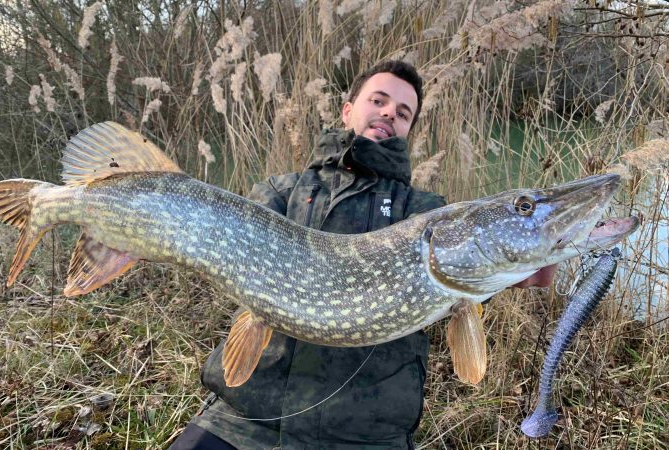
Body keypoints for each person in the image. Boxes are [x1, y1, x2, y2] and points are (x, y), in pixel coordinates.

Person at [169, 61, 556, 450]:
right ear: (348, 109)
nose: (390, 112)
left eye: (403, 113)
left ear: (407, 130)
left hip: (364, 436)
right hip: (243, 417)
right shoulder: (282, 192)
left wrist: (507, 273)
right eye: (379, 100)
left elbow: (459, 265)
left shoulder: (421, 209)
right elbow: (218, 244)